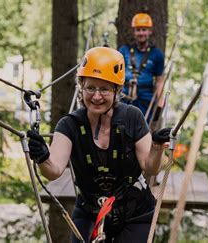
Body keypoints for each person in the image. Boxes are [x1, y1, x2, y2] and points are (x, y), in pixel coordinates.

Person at [27, 47, 171, 242]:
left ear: (117, 90)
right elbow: (53, 171)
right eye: (90, 88)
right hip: (89, 211)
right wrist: (43, 157)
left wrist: (156, 147)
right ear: (81, 87)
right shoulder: (69, 125)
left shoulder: (132, 117)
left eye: (104, 89)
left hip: (135, 212)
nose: (96, 96)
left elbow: (150, 168)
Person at [119, 13, 165, 118]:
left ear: (150, 31)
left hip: (145, 102)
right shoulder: (124, 51)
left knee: (142, 132)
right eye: (138, 30)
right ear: (134, 32)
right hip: (124, 98)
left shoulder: (157, 54)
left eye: (144, 29)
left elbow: (159, 81)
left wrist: (159, 106)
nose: (141, 33)